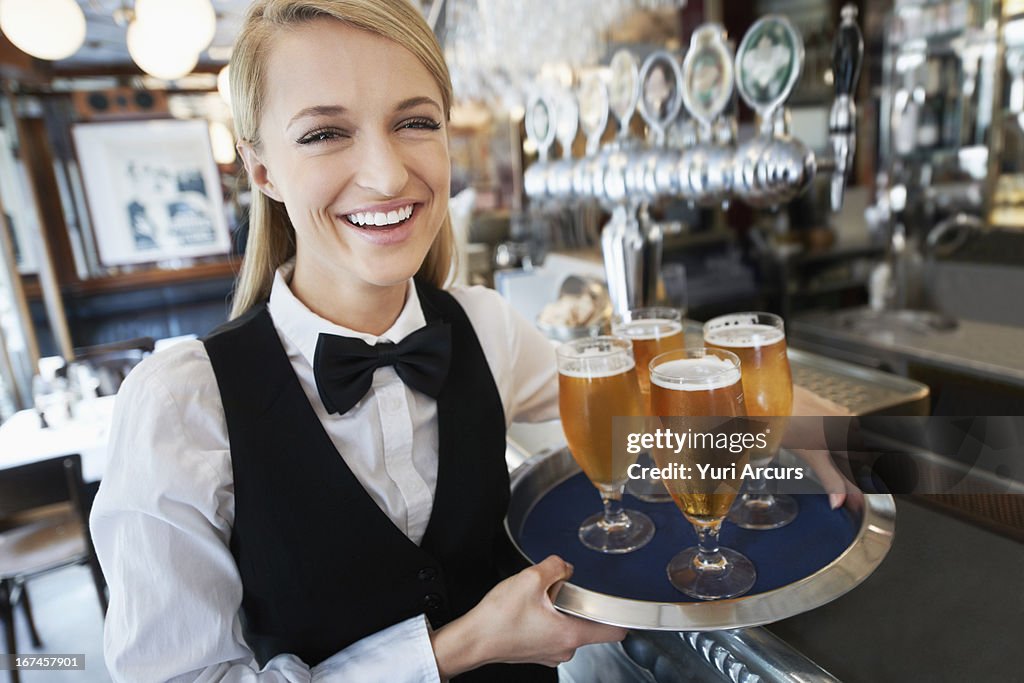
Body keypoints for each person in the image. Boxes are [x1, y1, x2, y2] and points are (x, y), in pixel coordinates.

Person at [89, 1, 627, 680]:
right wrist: (460, 647)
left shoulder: (486, 326)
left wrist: (795, 435)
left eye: (415, 122)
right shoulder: (180, 406)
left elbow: (635, 417)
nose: (387, 174)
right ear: (260, 169)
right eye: (323, 134)